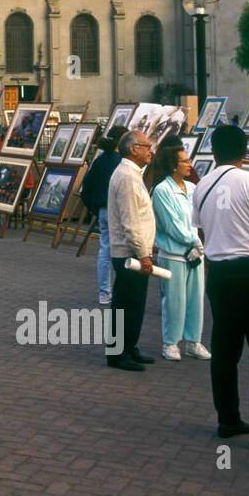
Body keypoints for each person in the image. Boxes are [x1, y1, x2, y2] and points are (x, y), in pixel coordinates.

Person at [192, 123, 249, 446]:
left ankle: (227, 419)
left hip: (218, 272)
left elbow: (200, 228)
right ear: (247, 152)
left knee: (225, 351)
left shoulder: (202, 186)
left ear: (213, 152)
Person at [147, 144, 209, 361]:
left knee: (195, 300)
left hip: (195, 255)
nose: (189, 164)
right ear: (173, 166)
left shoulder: (193, 189)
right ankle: (171, 343)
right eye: (185, 161)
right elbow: (172, 225)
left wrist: (199, 245)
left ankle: (193, 342)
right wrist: (195, 242)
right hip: (174, 256)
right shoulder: (162, 191)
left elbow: (201, 218)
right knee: (175, 301)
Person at [105, 131, 157, 372]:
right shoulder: (127, 176)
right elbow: (131, 220)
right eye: (147, 146)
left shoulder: (133, 174)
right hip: (129, 253)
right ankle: (118, 353)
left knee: (135, 304)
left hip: (135, 251)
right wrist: (142, 252)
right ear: (133, 149)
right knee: (125, 304)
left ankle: (129, 347)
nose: (151, 150)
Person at [80, 126, 124, 305]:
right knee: (123, 250)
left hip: (103, 209)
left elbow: (86, 187)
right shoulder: (122, 162)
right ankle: (121, 289)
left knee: (105, 250)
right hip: (120, 210)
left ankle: (104, 292)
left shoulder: (99, 161)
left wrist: (94, 208)